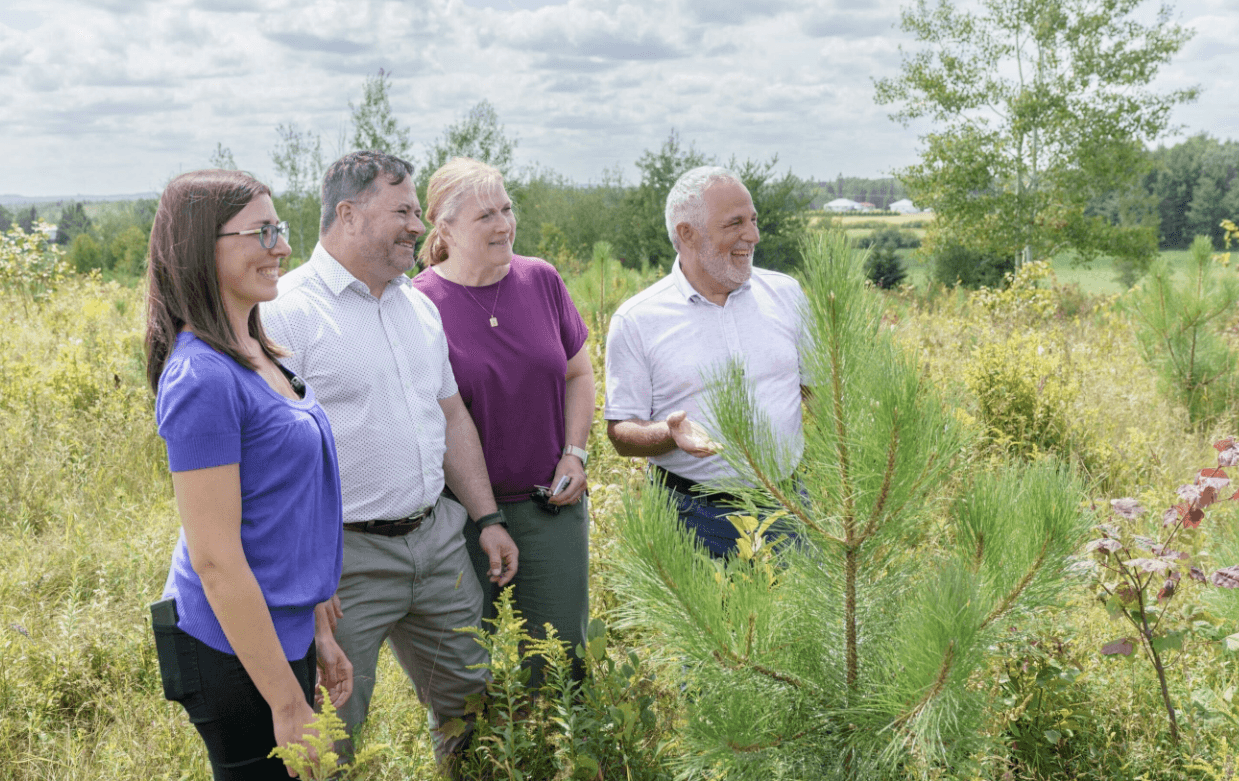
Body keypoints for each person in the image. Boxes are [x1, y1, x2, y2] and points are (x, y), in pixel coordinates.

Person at [260, 151, 519, 768]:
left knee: (473, 713)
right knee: (332, 732)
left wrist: (486, 519)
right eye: (402, 211)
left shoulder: (418, 307)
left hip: (437, 546)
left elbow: (450, 416)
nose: (417, 226)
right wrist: (309, 571)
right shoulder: (285, 312)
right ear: (348, 215)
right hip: (344, 564)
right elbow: (270, 459)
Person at [144, 169, 352, 780]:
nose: (282, 246)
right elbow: (215, 559)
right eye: (262, 231)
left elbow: (282, 509)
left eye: (280, 228)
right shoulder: (201, 378)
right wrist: (286, 703)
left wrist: (320, 627)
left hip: (282, 627)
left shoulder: (260, 352)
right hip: (228, 648)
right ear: (201, 247)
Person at [412, 157, 594, 684]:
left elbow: (577, 376)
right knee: (465, 673)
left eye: (507, 209)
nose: (504, 224)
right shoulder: (419, 303)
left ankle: (558, 764)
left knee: (561, 665)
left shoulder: (541, 280)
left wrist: (575, 453)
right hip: (458, 518)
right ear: (444, 229)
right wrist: (483, 516)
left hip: (549, 506)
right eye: (485, 215)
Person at [604, 165, 810, 558]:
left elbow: (815, 392)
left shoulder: (786, 295)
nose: (752, 236)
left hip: (788, 507)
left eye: (753, 220)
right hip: (691, 517)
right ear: (687, 233)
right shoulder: (637, 319)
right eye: (734, 224)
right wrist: (668, 433)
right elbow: (620, 432)